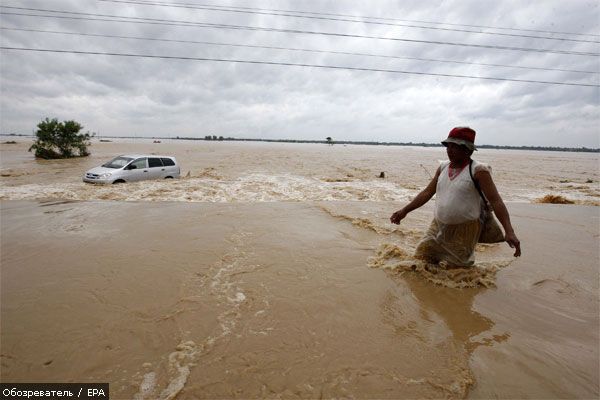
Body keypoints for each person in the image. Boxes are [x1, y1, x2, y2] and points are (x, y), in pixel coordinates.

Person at [390, 127, 521, 267]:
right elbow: (427, 193)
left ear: (468, 150)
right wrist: (404, 211)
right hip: (438, 225)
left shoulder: (478, 171)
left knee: (457, 270)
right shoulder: (443, 167)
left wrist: (509, 231)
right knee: (421, 259)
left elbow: (496, 202)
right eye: (448, 146)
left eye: (455, 147)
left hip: (465, 230)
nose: (449, 150)